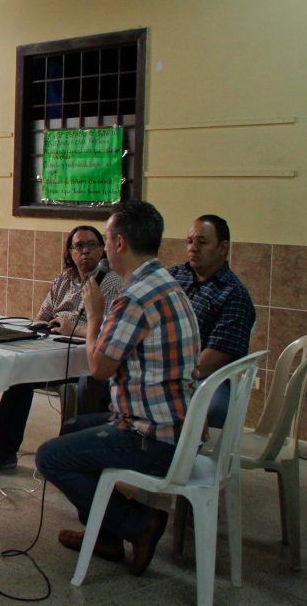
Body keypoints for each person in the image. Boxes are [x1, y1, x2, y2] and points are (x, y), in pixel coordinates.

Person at [35, 200, 200, 576]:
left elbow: (99, 368)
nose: (102, 249)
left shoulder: (135, 296)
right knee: (75, 427)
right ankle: (106, 535)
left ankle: (139, 524)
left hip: (152, 437)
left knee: (50, 457)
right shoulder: (167, 285)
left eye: (105, 240)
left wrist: (94, 314)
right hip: (178, 426)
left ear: (120, 244)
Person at [0, 225, 122, 474]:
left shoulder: (111, 281)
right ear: (70, 252)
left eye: (92, 245)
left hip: (86, 353)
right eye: (78, 246)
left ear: (102, 249)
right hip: (52, 343)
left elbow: (109, 330)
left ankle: (72, 455)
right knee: (20, 374)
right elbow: (42, 315)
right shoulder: (64, 279)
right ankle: (3, 451)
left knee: (89, 384)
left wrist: (73, 327)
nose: (85, 252)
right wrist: (43, 326)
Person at [167, 215, 256, 428]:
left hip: (205, 378)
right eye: (189, 241)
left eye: (202, 242)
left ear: (222, 247)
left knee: (213, 408)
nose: (193, 248)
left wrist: (169, 375)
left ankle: (184, 457)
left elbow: (215, 358)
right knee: (100, 382)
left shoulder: (233, 294)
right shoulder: (173, 277)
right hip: (158, 365)